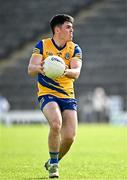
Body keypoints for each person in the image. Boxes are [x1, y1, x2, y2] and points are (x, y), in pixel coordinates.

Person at [28, 14, 82, 178]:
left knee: (69, 138)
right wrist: (41, 68)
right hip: (47, 93)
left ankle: (53, 160)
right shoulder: (42, 45)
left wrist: (63, 70)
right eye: (68, 27)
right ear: (57, 29)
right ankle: (54, 167)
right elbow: (31, 68)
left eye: (72, 27)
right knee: (56, 124)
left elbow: (76, 72)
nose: (71, 30)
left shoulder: (74, 48)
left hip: (67, 95)